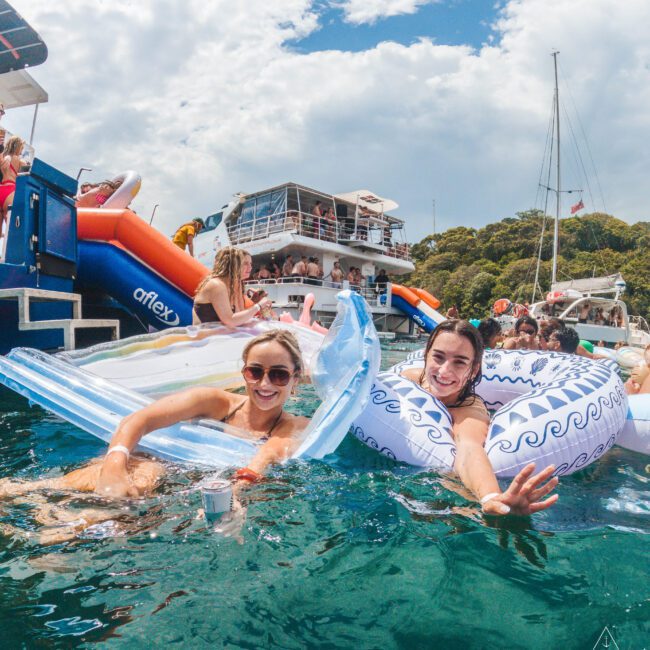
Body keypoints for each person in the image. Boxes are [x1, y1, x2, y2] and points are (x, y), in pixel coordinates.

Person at [0, 330, 309, 508]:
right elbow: (139, 420)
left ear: (296, 379)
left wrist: (235, 496)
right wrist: (113, 466)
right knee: (51, 490)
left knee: (90, 511)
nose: (264, 384)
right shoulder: (215, 401)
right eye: (255, 372)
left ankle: (51, 530)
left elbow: (265, 457)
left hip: (179, 485)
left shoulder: (294, 426)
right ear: (244, 372)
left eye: (279, 375)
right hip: (150, 464)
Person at [400, 320, 559, 516]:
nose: (444, 371)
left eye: (459, 362)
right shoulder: (413, 379)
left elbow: (469, 447)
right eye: (438, 357)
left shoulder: (469, 408)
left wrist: (490, 497)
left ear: (473, 370)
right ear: (426, 357)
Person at [193, 246, 272, 326]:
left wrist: (257, 308)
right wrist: (258, 306)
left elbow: (239, 317)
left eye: (250, 264)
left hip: (221, 334)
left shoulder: (236, 284)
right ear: (231, 265)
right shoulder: (216, 285)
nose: (250, 267)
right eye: (245, 263)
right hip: (206, 336)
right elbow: (230, 320)